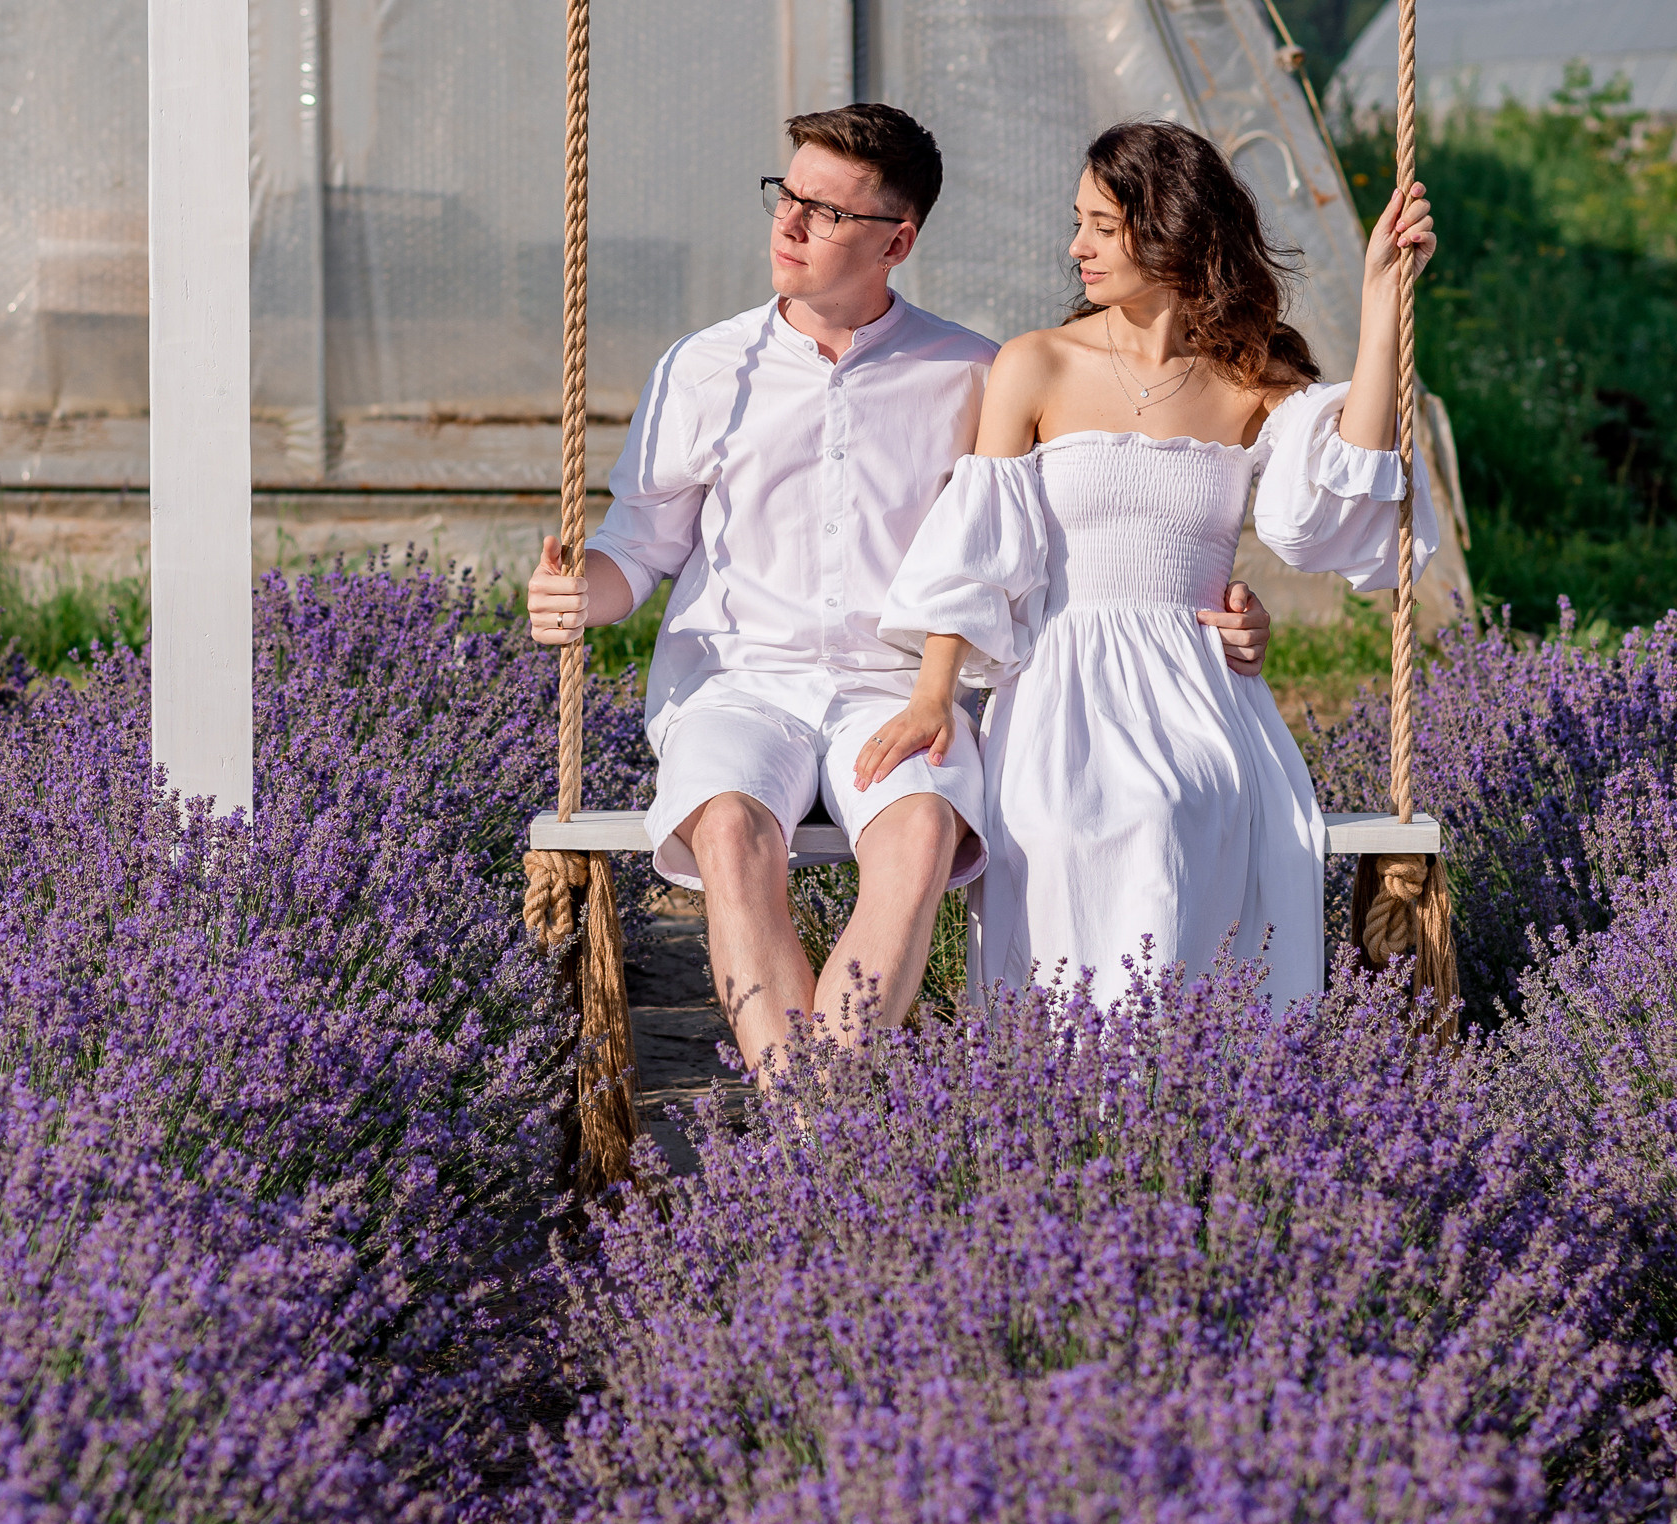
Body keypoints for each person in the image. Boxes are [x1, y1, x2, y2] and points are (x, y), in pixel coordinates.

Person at [526, 102, 1277, 1069]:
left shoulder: (971, 372)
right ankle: (817, 1130)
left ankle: (811, 1125)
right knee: (730, 827)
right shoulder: (707, 369)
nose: (789, 226)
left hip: (898, 692)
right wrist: (579, 591)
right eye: (785, 197)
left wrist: (1227, 607)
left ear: (898, 239)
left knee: (921, 831)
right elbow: (639, 547)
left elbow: (1069, 535)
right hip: (739, 683)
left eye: (825, 212)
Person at [860, 120, 1437, 1014]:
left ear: (1168, 228)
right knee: (1056, 833)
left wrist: (1381, 302)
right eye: (1076, 221)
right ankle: (1063, 1102)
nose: (1075, 246)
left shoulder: (1251, 378)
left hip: (1198, 690)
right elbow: (979, 547)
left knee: (1172, 816)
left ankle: (1185, 1100)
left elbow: (1338, 491)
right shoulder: (1037, 364)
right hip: (1062, 682)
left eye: (1099, 224)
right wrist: (934, 696)